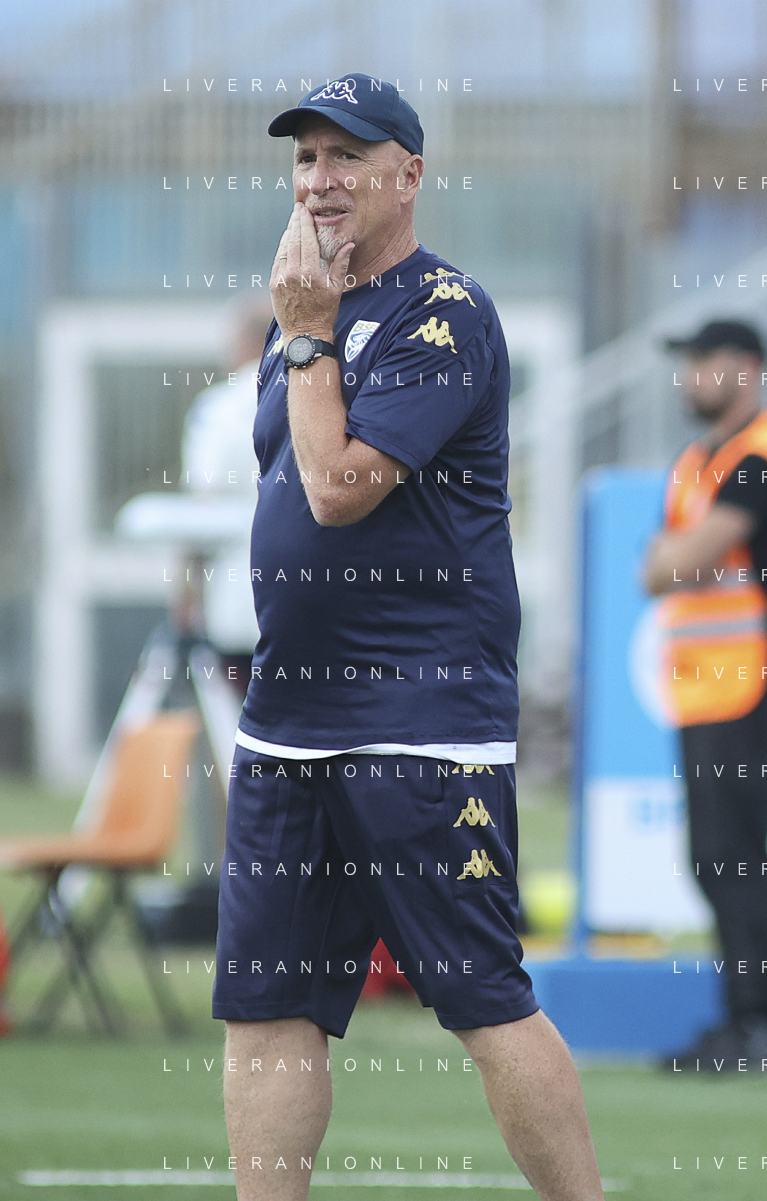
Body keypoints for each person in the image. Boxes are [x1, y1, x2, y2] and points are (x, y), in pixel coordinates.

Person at [212, 74, 604, 1200]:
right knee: (266, 1008)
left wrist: (304, 337)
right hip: (289, 716)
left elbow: (337, 489)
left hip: (419, 716)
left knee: (483, 997)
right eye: (305, 158)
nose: (319, 180)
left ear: (409, 174)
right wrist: (303, 330)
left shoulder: (445, 313)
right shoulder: (306, 310)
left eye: (347, 155)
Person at [644, 318, 767, 1069]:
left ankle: (753, 1024)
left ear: (745, 368)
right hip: (707, 689)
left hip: (748, 686)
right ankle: (743, 1018)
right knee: (720, 859)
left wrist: (674, 559)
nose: (688, 376)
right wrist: (674, 559)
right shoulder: (700, 461)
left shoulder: (754, 457)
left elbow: (677, 561)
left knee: (737, 859)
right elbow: (656, 567)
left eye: (702, 361)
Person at [180, 303, 271, 699]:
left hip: (236, 597)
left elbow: (202, 506)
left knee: (240, 715)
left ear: (245, 344)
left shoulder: (217, 409)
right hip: (310, 596)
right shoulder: (323, 397)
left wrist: (186, 593)